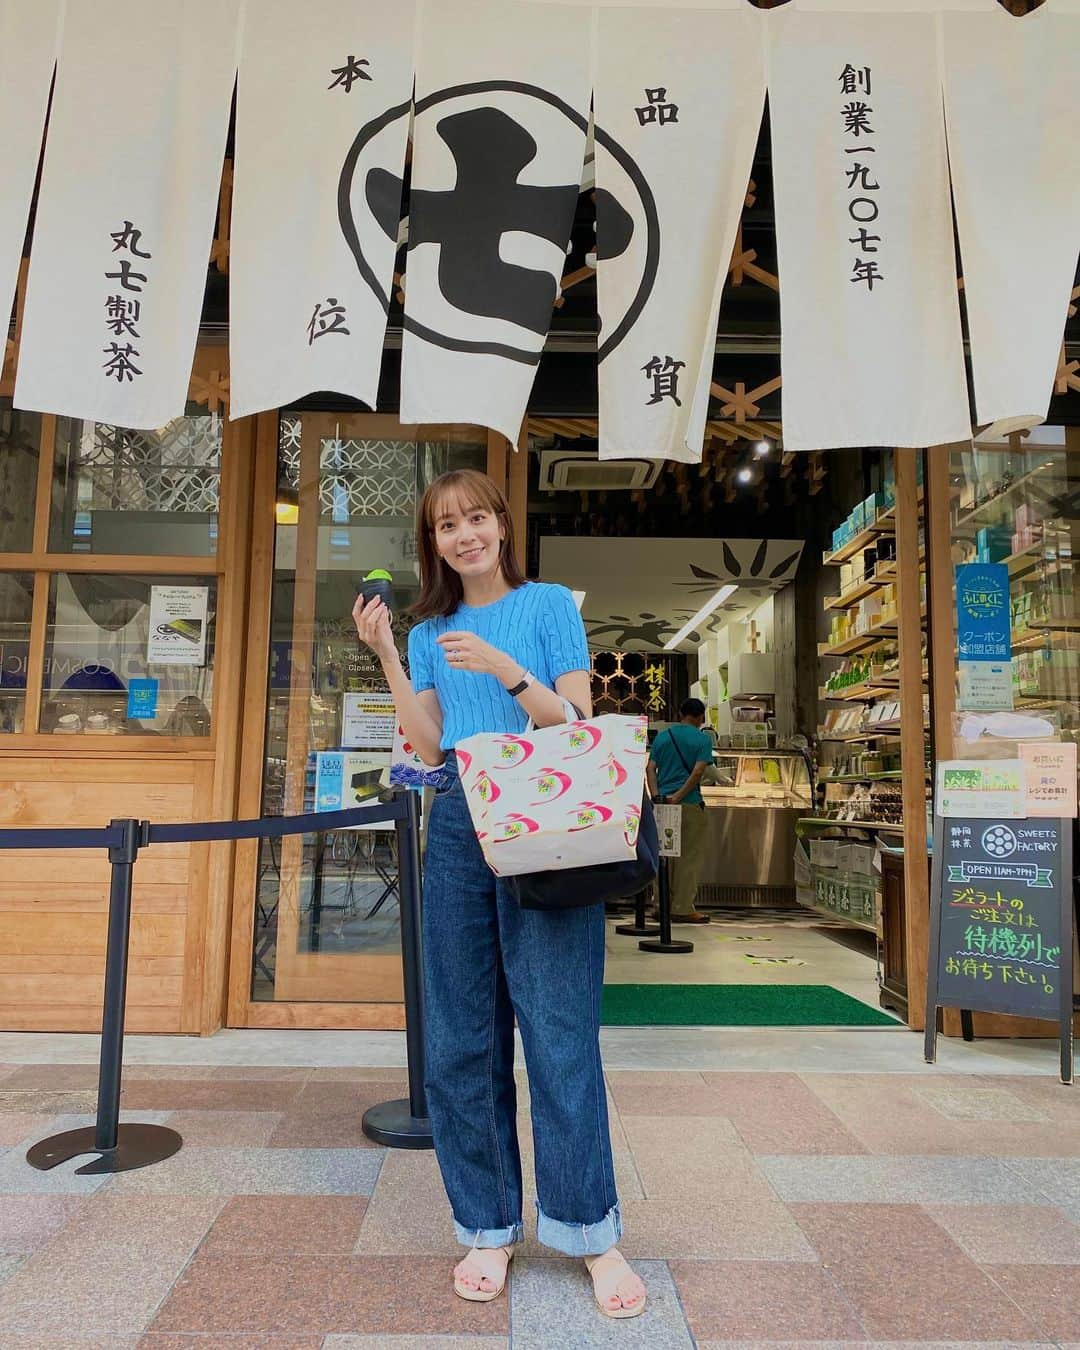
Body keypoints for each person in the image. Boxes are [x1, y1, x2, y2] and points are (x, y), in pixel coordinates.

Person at [353, 469, 646, 1321]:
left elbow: (575, 721)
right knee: (460, 1037)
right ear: (432, 542)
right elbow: (430, 742)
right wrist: (384, 656)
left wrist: (507, 669)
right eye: (446, 526)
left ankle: (590, 1230)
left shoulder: (550, 603)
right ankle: (487, 1225)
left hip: (545, 818)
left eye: (475, 518)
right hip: (456, 825)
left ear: (501, 525)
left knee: (558, 1030)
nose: (464, 535)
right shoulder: (427, 629)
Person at [646, 697, 714, 924]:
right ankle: (682, 907)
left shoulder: (663, 737)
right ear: (700, 716)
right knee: (688, 858)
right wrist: (678, 797)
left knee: (663, 857)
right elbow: (697, 773)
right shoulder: (703, 740)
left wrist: (657, 796)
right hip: (689, 804)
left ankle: (659, 904)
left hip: (662, 805)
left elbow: (650, 767)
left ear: (680, 713)